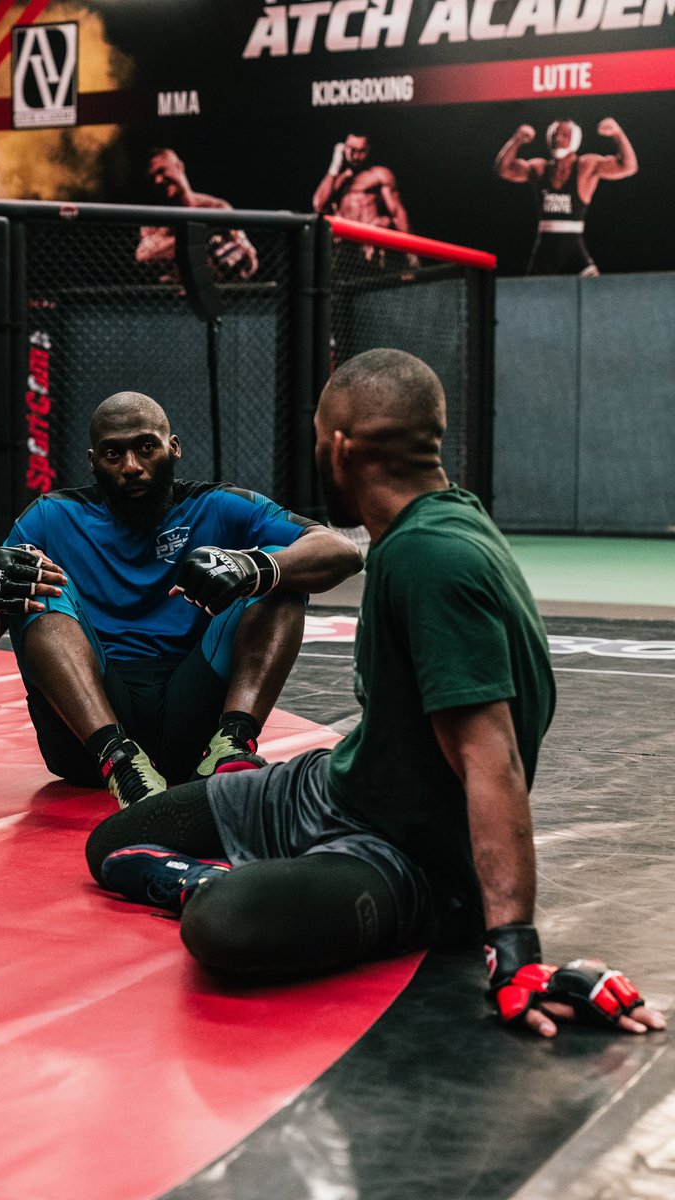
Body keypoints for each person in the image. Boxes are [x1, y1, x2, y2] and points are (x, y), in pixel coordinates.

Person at [85, 350, 665, 1039]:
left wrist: (515, 952)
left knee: (224, 924)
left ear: (339, 445)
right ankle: (268, 865)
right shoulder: (434, 526)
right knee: (115, 844)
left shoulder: (429, 559)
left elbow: (492, 759)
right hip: (338, 790)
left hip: (406, 856)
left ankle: (216, 882)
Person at [0, 390, 362, 810]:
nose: (131, 467)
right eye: (113, 454)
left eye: (145, 447)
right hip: (87, 738)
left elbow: (342, 551)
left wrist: (252, 566)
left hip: (191, 719)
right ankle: (119, 761)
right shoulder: (50, 517)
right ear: (93, 462)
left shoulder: (217, 505)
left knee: (283, 575)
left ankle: (232, 744)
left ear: (174, 447)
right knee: (32, 582)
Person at [495, 118, 638, 276]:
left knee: (596, 294)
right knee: (532, 297)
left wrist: (618, 133)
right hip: (544, 252)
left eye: (564, 134)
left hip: (573, 251)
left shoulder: (586, 166)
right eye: (555, 134)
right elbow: (503, 169)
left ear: (575, 139)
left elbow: (628, 166)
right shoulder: (539, 168)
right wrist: (517, 139)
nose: (558, 139)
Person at [135, 148, 258, 281]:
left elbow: (249, 260)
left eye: (161, 171)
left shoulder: (216, 207)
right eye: (152, 177)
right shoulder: (155, 220)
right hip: (173, 297)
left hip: (221, 290)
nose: (158, 180)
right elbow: (143, 257)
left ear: (179, 166)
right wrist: (205, 231)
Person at [312, 133, 419, 269]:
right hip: (346, 251)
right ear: (344, 148)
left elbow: (397, 213)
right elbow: (319, 205)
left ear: (368, 150)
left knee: (384, 223)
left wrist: (411, 254)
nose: (356, 156)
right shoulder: (336, 181)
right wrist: (335, 163)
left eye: (361, 151)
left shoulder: (379, 175)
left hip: (374, 247)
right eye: (352, 150)